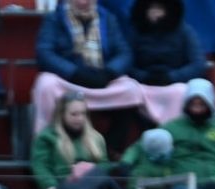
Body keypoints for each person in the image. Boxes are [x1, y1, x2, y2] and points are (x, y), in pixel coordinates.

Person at [31, 0, 144, 147]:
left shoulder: (107, 18)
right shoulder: (55, 18)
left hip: (102, 78)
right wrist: (74, 72)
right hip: (68, 79)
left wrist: (109, 72)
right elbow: (44, 52)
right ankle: (47, 144)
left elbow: (124, 52)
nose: (83, 2)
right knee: (46, 84)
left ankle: (112, 148)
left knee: (132, 89)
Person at [31, 92, 131, 189]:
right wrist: (50, 186)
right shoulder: (47, 137)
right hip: (62, 188)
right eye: (74, 114)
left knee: (97, 176)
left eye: (83, 114)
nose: (79, 118)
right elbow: (40, 166)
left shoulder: (95, 137)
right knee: (97, 177)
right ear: (61, 115)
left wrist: (89, 168)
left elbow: (105, 165)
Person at [127, 0, 204, 127]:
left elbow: (198, 63)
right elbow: (127, 62)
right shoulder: (135, 31)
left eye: (159, 8)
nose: (155, 12)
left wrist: (172, 77)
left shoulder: (184, 31)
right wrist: (144, 76)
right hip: (143, 84)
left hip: (175, 84)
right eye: (151, 8)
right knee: (128, 91)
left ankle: (171, 131)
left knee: (181, 92)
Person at [118, 125, 180, 189]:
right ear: (161, 155)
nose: (173, 148)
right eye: (170, 147)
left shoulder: (167, 160)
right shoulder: (142, 171)